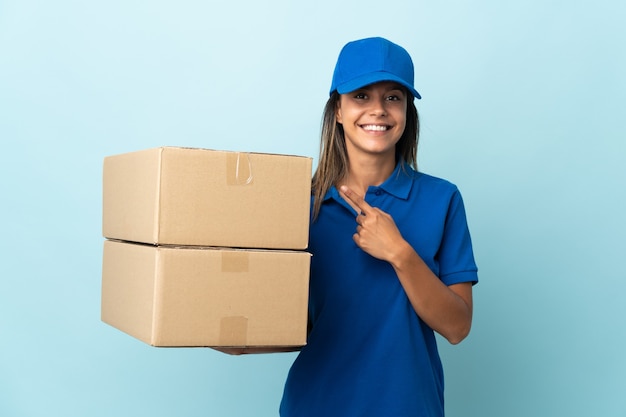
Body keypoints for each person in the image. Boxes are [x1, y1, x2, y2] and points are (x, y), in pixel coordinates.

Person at [279, 37, 478, 416]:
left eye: (393, 97)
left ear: (407, 111)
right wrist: (235, 336)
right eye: (361, 96)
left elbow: (457, 327)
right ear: (337, 109)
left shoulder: (442, 200)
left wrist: (400, 253)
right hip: (316, 404)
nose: (378, 110)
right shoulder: (301, 207)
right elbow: (294, 325)